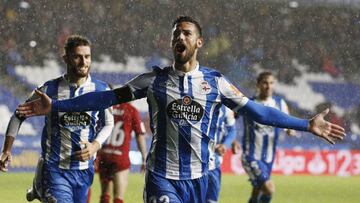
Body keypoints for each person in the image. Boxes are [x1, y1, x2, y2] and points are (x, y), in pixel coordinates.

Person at [15, 16, 345, 203]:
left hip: (201, 178)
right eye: (176, 33)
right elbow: (104, 99)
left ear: (198, 42)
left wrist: (305, 125)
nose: (180, 36)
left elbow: (257, 113)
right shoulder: (152, 81)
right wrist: (57, 105)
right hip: (163, 179)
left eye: (186, 33)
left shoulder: (216, 83)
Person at [0, 35, 114, 203]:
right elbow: (18, 116)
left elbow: (109, 123)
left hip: (83, 170)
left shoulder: (101, 89)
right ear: (65, 59)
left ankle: (39, 188)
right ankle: (43, 184)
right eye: (77, 56)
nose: (84, 62)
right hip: (55, 169)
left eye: (87, 57)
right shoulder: (49, 89)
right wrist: (7, 150)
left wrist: (95, 146)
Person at [241, 71, 295, 203]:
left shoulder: (279, 103)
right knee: (269, 189)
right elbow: (230, 118)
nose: (268, 86)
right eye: (265, 82)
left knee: (257, 191)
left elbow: (288, 122)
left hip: (268, 157)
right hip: (251, 155)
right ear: (258, 84)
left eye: (271, 83)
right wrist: (231, 141)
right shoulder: (249, 103)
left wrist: (290, 130)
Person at [96, 102, 147, 203]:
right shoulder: (131, 110)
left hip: (104, 155)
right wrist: (144, 157)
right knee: (118, 197)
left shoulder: (107, 108)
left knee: (104, 195)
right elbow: (139, 134)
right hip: (120, 157)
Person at [206, 105, 237, 203]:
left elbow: (232, 130)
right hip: (192, 165)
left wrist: (225, 145)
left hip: (214, 164)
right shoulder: (195, 103)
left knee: (211, 201)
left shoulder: (225, 108)